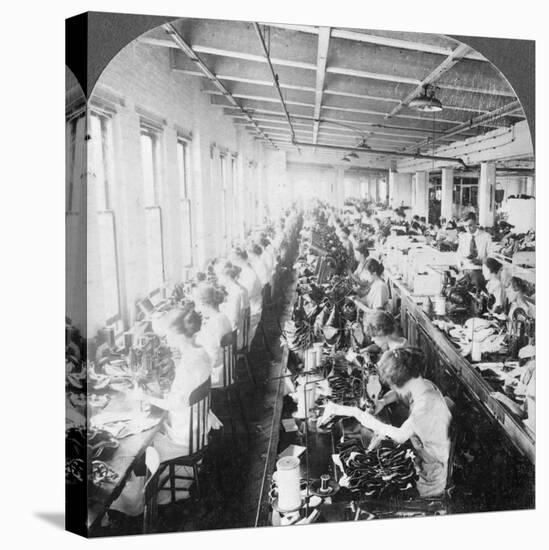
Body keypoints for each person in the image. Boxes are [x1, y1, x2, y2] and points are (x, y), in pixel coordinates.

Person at [111, 305, 217, 511]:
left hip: (183, 438)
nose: (166, 340)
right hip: (196, 429)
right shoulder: (199, 353)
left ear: (176, 334)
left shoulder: (187, 365)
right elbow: (184, 393)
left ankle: (139, 503)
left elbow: (176, 403)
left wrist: (145, 395)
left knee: (134, 449)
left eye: (168, 335)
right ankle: (147, 494)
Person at [321, 347, 452, 498]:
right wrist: (382, 402)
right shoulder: (423, 385)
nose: (393, 388)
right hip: (422, 457)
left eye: (393, 384)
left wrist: (355, 413)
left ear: (402, 381)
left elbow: (399, 436)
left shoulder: (425, 407)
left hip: (429, 477)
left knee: (369, 488)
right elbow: (399, 393)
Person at [194, 284, 233, 387]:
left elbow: (213, 357)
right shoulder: (223, 317)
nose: (198, 309)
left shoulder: (212, 325)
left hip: (217, 374)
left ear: (204, 304)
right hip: (228, 369)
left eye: (198, 305)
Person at [231, 248, 263, 342]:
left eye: (233, 260)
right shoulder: (245, 270)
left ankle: (239, 354)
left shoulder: (248, 274)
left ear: (238, 259)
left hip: (252, 313)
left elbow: (244, 298)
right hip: (250, 309)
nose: (232, 264)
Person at [218, 261, 250, 350]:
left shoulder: (236, 293)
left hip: (237, 338)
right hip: (242, 330)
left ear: (227, 278)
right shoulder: (240, 288)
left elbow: (234, 319)